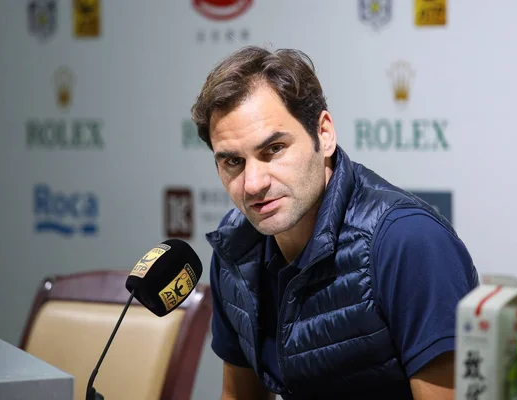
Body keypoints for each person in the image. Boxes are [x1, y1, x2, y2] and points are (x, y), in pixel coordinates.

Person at [190, 45, 479, 400]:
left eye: (274, 150)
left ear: (323, 134)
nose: (253, 183)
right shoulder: (236, 246)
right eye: (233, 162)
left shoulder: (408, 242)